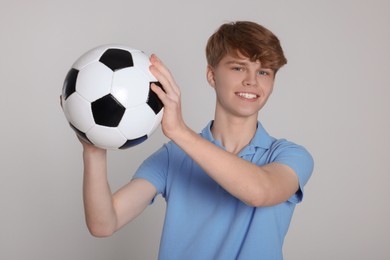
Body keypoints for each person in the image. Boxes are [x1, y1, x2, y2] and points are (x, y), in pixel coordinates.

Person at [80, 21, 314, 259]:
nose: (252, 81)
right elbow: (104, 224)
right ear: (212, 75)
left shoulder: (290, 155)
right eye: (238, 68)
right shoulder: (174, 156)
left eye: (263, 72)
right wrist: (93, 148)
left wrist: (180, 131)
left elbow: (260, 192)